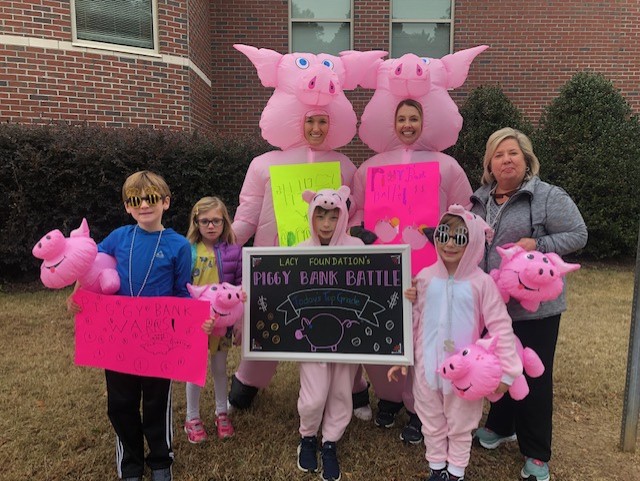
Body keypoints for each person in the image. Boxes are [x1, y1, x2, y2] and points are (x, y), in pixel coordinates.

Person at [350, 98, 473, 442]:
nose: (407, 125)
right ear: (393, 123)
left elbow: (465, 213)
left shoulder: (446, 165)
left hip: (430, 271)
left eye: (413, 118)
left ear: (424, 122)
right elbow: (357, 215)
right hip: (383, 272)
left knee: (425, 341)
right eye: (401, 118)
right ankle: (389, 398)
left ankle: (421, 409)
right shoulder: (370, 168)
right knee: (385, 334)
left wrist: (446, 237)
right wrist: (365, 236)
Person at [470, 128, 588, 481]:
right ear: (490, 163)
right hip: (493, 305)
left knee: (533, 375)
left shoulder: (546, 196)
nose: (506, 160)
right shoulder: (478, 199)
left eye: (513, 154)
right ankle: (500, 426)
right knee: (498, 367)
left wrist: (537, 244)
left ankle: (536, 452)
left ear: (526, 159)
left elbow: (578, 235)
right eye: (499, 154)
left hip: (535, 309)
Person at [229, 111, 365, 410]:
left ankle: (355, 389)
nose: (316, 128)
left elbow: (354, 207)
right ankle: (248, 380)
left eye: (323, 121)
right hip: (274, 265)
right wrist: (224, 241)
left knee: (339, 322)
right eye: (309, 120)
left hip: (329, 268)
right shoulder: (262, 164)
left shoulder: (342, 164)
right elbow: (248, 212)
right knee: (266, 322)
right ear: (293, 119)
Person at [67, 171, 192, 481]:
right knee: (121, 402)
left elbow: (182, 294)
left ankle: (161, 461)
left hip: (159, 337)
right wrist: (77, 295)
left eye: (151, 198)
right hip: (118, 336)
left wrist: (188, 328)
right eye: (136, 200)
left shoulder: (178, 245)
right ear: (127, 206)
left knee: (156, 403)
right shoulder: (119, 237)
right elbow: (91, 270)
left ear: (165, 202)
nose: (144, 205)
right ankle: (131, 465)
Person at [388, 204, 523, 481]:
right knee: (430, 420)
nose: (449, 244)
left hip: (465, 374)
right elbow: (412, 321)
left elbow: (500, 325)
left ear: (472, 242)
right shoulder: (424, 278)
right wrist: (401, 357)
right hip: (427, 369)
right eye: (443, 235)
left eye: (460, 237)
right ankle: (437, 469)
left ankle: (456, 472)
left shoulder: (481, 283)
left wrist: (509, 371)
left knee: (461, 425)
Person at [295, 186, 364, 481]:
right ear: (311, 216)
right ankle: (307, 436)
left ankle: (330, 441)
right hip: (313, 339)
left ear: (343, 217)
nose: (326, 224)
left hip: (344, 339)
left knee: (339, 391)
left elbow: (377, 285)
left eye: (333, 217)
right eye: (320, 216)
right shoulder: (298, 252)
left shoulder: (357, 248)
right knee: (313, 397)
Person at [183, 196, 242, 443]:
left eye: (216, 220)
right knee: (194, 371)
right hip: (195, 323)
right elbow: (181, 286)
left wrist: (238, 322)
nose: (210, 226)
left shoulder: (234, 251)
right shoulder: (187, 250)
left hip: (222, 325)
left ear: (224, 222)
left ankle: (221, 412)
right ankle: (192, 417)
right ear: (196, 222)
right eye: (205, 221)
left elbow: (240, 287)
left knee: (219, 368)